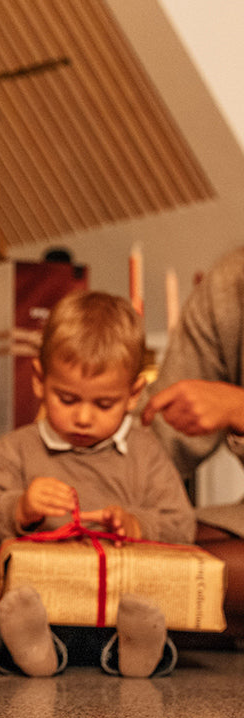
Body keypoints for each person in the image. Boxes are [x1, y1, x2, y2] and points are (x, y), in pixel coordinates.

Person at [0, 290, 196, 677]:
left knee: (141, 613)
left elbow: (182, 524)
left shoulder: (145, 453)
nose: (84, 418)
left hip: (118, 607)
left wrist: (138, 524)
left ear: (134, 394)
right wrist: (19, 508)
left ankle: (133, 649)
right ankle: (36, 648)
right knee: (24, 613)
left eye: (104, 404)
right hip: (44, 609)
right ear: (40, 380)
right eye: (67, 399)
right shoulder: (17, 449)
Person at [142, 247, 244, 638]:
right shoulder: (230, 282)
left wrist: (237, 408)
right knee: (123, 555)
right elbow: (160, 434)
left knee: (152, 581)